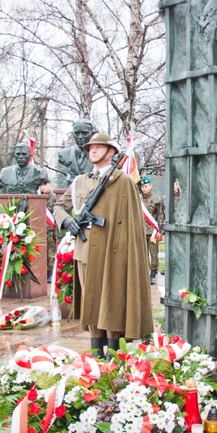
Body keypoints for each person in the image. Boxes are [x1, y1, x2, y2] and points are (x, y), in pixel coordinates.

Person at [54, 133, 152, 354]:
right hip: (85, 251)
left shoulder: (123, 181)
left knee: (111, 303)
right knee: (92, 303)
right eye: (90, 148)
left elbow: (132, 222)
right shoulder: (80, 181)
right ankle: (96, 352)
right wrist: (67, 220)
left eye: (99, 148)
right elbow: (59, 206)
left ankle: (114, 353)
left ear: (111, 152)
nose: (93, 151)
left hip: (112, 253)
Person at [139, 177, 165, 285]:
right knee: (142, 254)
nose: (144, 188)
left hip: (152, 232)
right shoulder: (137, 199)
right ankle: (144, 274)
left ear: (151, 186)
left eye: (146, 186)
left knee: (154, 254)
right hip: (140, 231)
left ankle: (153, 274)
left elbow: (160, 215)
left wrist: (160, 230)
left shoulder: (156, 199)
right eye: (142, 186)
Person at [55, 120, 95, 188]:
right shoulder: (63, 154)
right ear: (73, 134)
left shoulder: (100, 155)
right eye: (77, 133)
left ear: (92, 134)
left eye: (84, 133)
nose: (80, 137)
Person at [39, 180, 57, 283]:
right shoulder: (38, 197)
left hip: (50, 229)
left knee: (51, 253)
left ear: (50, 185)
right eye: (41, 185)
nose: (43, 187)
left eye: (45, 185)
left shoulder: (53, 197)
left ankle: (50, 273)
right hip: (40, 229)